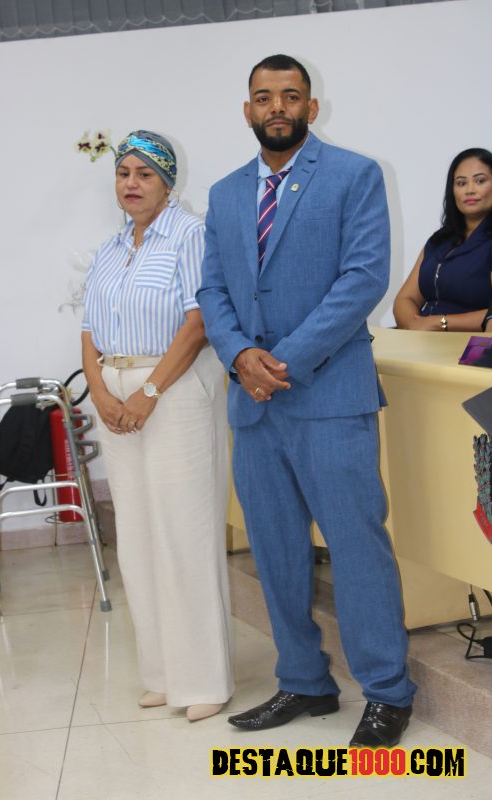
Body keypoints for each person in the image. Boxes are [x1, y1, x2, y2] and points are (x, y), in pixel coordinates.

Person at [197, 55, 416, 747]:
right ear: (247, 111)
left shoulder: (353, 175)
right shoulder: (225, 194)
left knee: (356, 547)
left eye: (290, 95)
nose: (277, 107)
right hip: (253, 405)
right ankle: (304, 681)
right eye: (264, 97)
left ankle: (387, 691)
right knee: (275, 551)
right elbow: (212, 291)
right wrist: (240, 356)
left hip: (329, 397)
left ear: (311, 108)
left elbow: (362, 280)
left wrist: (280, 362)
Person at [81, 130, 233, 722]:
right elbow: (89, 329)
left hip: (173, 392)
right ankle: (163, 675)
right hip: (115, 394)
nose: (132, 183)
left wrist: (148, 392)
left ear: (169, 182)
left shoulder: (191, 235)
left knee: (184, 533)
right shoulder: (109, 248)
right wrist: (100, 392)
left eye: (145, 174)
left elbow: (199, 323)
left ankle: (204, 679)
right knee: (138, 536)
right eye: (123, 173)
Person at [393, 148, 492, 331]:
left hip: (466, 342)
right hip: (419, 338)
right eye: (461, 183)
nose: (470, 190)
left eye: (480, 181)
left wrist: (439, 323)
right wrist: (414, 325)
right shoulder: (438, 241)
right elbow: (405, 299)